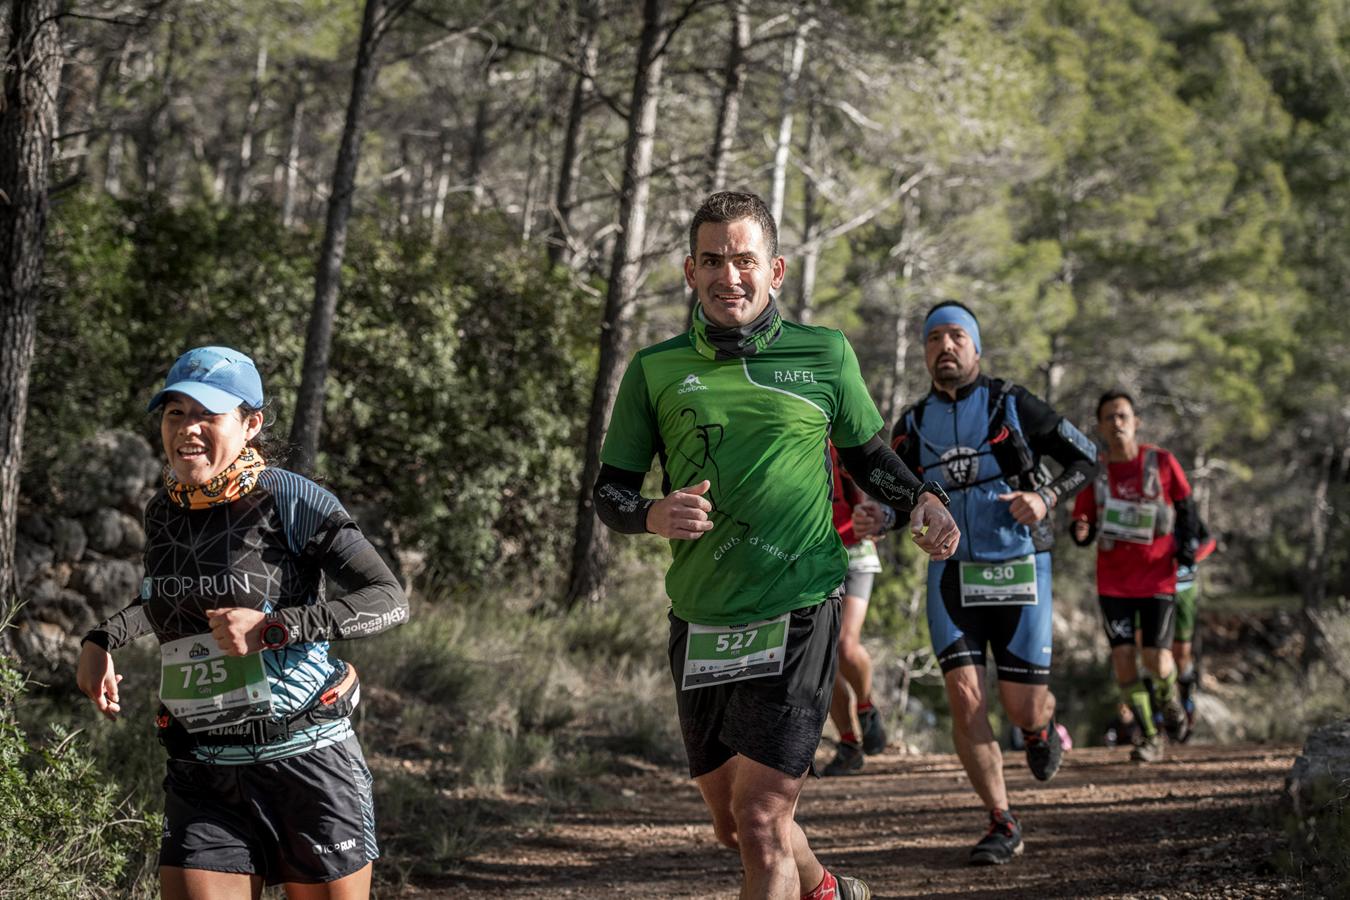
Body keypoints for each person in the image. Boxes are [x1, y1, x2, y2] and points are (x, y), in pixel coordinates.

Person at [591, 191, 959, 900]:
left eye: (745, 260)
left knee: (762, 821)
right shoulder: (655, 369)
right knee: (735, 823)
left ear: (777, 269)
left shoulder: (822, 354)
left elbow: (867, 454)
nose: (730, 276)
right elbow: (610, 491)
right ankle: (825, 890)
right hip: (701, 614)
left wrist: (922, 498)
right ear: (690, 272)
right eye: (713, 261)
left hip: (799, 605)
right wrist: (651, 515)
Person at [75, 346, 409, 899]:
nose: (188, 428)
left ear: (250, 424)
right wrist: (103, 637)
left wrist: (274, 630)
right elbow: (168, 601)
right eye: (175, 412)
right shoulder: (163, 510)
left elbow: (388, 598)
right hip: (203, 768)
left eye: (208, 414)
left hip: (306, 760)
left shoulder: (291, 498)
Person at [857, 300, 1097, 866]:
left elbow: (1086, 458)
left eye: (956, 337)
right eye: (934, 338)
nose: (945, 346)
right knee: (966, 699)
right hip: (952, 579)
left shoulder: (1012, 404)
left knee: (1022, 709)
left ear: (976, 347)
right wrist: (882, 519)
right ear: (923, 351)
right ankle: (1002, 818)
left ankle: (1041, 728)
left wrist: (1046, 497)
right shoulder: (913, 424)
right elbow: (901, 501)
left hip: (1020, 571)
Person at [1070, 389, 1206, 762]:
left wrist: (1187, 546)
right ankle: (1148, 735)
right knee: (1124, 661)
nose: (1117, 424)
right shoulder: (1095, 472)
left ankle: (1170, 700)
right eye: (1109, 418)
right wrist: (1080, 531)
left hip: (1157, 578)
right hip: (1113, 582)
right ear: (1099, 426)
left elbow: (1186, 506)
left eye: (1123, 416)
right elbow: (1083, 519)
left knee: (1158, 660)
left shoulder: (1161, 462)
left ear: (1136, 422)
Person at [819, 444, 889, 776]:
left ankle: (865, 707)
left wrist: (877, 519)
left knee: (845, 645)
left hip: (855, 553)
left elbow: (885, 482)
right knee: (822, 660)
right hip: (814, 559)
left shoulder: (846, 442)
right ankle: (848, 744)